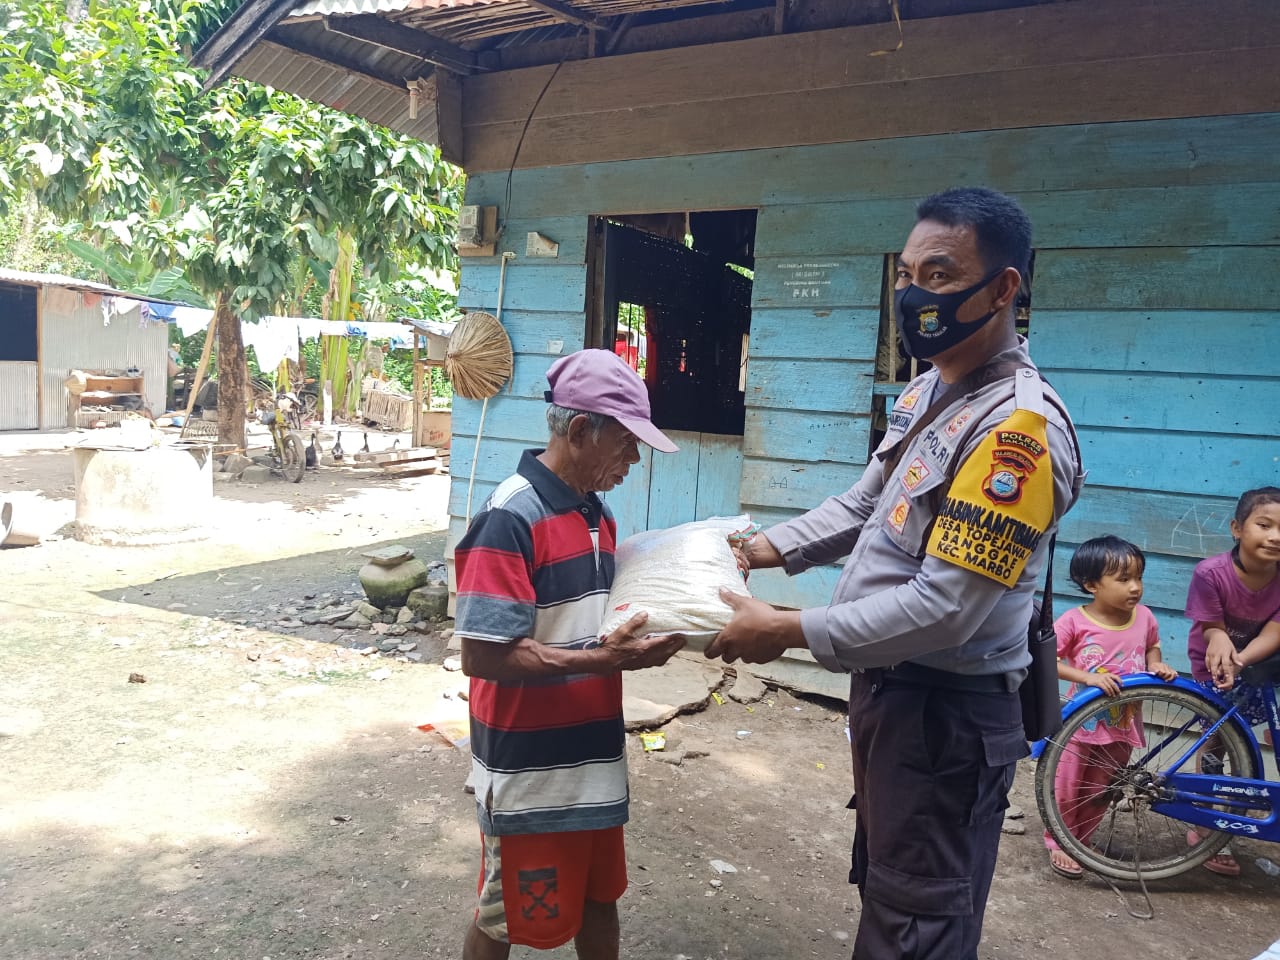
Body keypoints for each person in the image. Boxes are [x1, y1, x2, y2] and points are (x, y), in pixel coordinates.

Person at [707, 186, 1085, 960]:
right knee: (893, 889)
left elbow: (947, 608)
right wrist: (759, 550)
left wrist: (787, 630)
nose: (914, 296)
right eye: (907, 275)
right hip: (896, 698)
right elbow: (866, 503)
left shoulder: (1017, 433)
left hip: (946, 715)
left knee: (918, 920)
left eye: (940, 275)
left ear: (1004, 289)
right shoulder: (929, 389)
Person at [454, 348, 686, 960]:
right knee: (502, 915)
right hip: (528, 768)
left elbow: (590, 622)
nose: (634, 460)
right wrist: (602, 662)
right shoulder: (509, 517)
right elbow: (483, 657)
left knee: (599, 897)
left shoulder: (596, 513)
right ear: (580, 430)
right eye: (626, 444)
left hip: (592, 756)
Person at [1041, 536, 1177, 879]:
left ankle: (1081, 840)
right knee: (1068, 786)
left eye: (1139, 577)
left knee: (1101, 789)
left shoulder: (1145, 617)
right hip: (1081, 726)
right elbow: (1049, 661)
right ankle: (1058, 841)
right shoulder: (1075, 621)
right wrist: (1087, 677)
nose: (1135, 587)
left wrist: (1156, 664)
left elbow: (1152, 647)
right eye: (1124, 579)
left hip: (1123, 725)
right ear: (1092, 585)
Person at [1184, 485, 1280, 876]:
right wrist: (1220, 640)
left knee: (1248, 741)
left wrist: (1241, 660)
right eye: (1264, 525)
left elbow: (1274, 632)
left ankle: (1237, 807)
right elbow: (1211, 626)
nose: (1275, 536)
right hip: (1212, 663)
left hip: (1258, 665)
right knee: (1217, 739)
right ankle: (1205, 822)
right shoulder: (1211, 573)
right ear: (1237, 528)